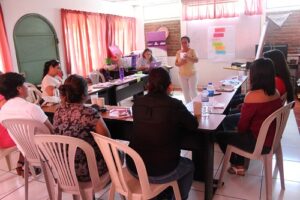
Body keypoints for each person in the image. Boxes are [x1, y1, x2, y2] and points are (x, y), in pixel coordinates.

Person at [127, 67, 198, 200]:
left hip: (134, 167)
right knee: (189, 165)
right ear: (169, 86)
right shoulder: (174, 104)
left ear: (149, 84)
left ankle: (164, 193)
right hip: (161, 171)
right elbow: (193, 125)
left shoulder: (137, 102)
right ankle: (176, 196)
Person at [217, 58, 282, 176]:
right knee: (229, 119)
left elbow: (242, 127)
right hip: (271, 138)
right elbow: (261, 111)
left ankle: (238, 164)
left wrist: (237, 129)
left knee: (217, 135)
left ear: (256, 76)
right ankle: (239, 158)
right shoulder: (276, 92)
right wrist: (245, 107)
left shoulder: (252, 95)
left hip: (258, 142)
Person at [53, 74, 110, 182]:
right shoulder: (89, 113)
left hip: (64, 170)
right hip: (88, 172)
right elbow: (106, 140)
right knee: (118, 153)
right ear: (84, 94)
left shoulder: (58, 111)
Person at [0, 72, 53, 176]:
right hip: (47, 153)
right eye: (25, 85)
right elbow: (51, 131)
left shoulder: (2, 112)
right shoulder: (32, 108)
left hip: (27, 154)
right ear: (19, 88)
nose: (27, 87)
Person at [175, 36, 199, 103]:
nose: (184, 44)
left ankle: (196, 105)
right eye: (182, 43)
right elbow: (176, 63)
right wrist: (181, 63)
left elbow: (196, 60)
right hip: (182, 74)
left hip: (192, 74)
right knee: (185, 91)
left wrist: (188, 57)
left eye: (185, 42)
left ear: (188, 43)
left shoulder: (192, 51)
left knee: (193, 91)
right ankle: (188, 106)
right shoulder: (178, 52)